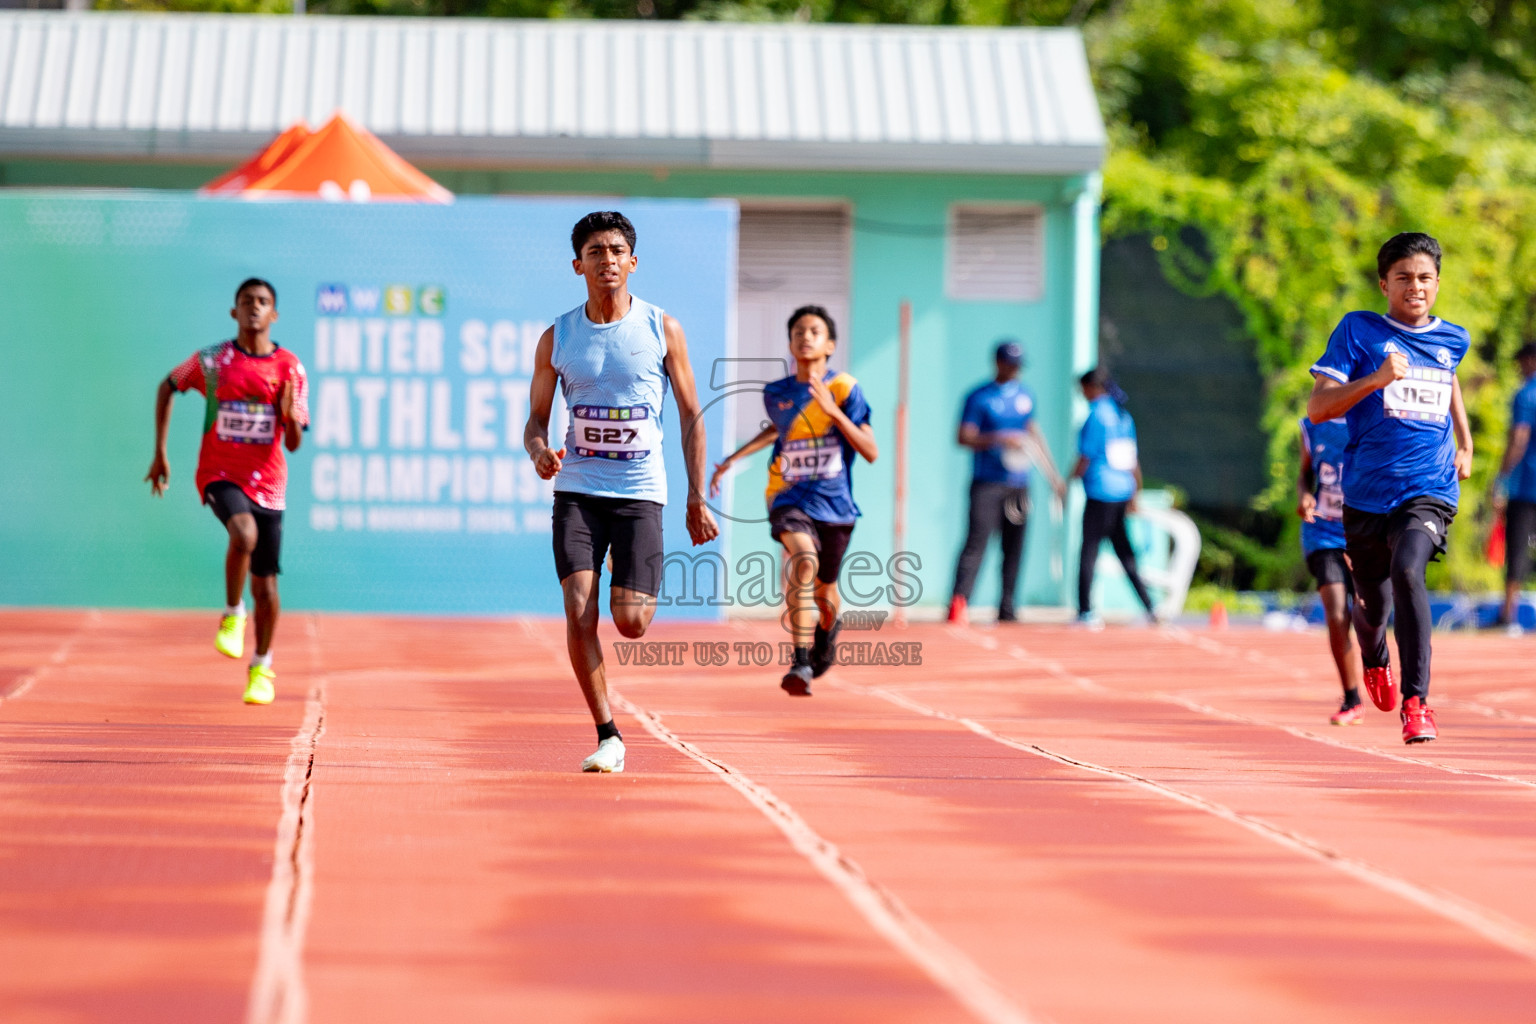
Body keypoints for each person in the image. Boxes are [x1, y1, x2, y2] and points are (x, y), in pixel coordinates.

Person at [525, 211, 719, 773]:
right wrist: (539, 450)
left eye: (616, 250)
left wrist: (695, 496)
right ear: (577, 264)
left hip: (640, 493)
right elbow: (535, 421)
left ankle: (628, 593)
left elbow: (690, 415)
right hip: (579, 491)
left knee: (631, 621)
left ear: (632, 262)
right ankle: (608, 733)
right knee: (578, 608)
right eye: (595, 252)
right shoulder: (557, 336)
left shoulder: (661, 328)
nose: (606, 260)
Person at [1307, 232, 1472, 745]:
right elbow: (1319, 408)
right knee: (1372, 608)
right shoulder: (1359, 332)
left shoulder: (1453, 339)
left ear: (1438, 283)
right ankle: (1375, 656)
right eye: (1403, 278)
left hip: (1428, 486)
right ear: (1385, 284)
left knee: (1409, 570)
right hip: (1366, 495)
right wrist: (1376, 380)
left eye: (1425, 278)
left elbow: (1448, 380)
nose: (1415, 287)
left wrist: (1465, 441)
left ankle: (1417, 702)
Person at [145, 278, 308, 706]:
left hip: (269, 484)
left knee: (267, 587)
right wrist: (161, 452)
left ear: (274, 314)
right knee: (243, 535)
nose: (254, 308)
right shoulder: (213, 361)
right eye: (246, 302)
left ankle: (262, 666)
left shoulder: (290, 368)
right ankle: (233, 615)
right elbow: (168, 385)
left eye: (262, 302)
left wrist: (288, 416)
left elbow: (293, 442)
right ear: (233, 312)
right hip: (219, 472)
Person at [709, 305, 876, 696]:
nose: (805, 336)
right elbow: (780, 432)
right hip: (787, 497)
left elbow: (870, 450)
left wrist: (834, 413)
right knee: (802, 561)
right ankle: (799, 663)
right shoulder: (777, 393)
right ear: (790, 342)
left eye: (814, 331)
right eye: (798, 331)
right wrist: (732, 459)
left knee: (825, 595)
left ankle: (826, 632)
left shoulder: (845, 389)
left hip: (835, 506)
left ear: (830, 344)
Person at [946, 340, 1066, 626]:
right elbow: (964, 437)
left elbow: (1034, 434)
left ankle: (1007, 606)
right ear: (998, 363)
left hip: (1019, 484)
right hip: (987, 483)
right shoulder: (978, 397)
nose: (1015, 370)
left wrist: (1053, 474)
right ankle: (959, 603)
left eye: (1019, 365)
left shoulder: (1026, 396)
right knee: (976, 542)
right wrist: (999, 439)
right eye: (1010, 364)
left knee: (1014, 546)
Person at [1072, 368, 1158, 627]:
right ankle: (1150, 607)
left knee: (1089, 552)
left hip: (1100, 493)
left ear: (1092, 388)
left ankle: (1085, 611)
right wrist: (1135, 493)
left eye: (1083, 389)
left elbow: (1085, 457)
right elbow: (1132, 460)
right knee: (1125, 553)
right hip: (1121, 493)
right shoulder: (1123, 415)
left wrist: (1065, 483)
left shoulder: (1096, 416)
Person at [1297, 415, 1366, 724]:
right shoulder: (1311, 426)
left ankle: (1380, 669)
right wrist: (1304, 496)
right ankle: (1351, 697)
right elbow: (1304, 475)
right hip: (1323, 534)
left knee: (1369, 615)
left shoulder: (1373, 419)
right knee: (1337, 612)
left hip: (1365, 535)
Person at [1488, 342, 1536, 634]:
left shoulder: (1526, 394)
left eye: (1521, 363)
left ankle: (1509, 614)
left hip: (1527, 484)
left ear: (1530, 360)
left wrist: (1502, 479)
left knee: (1517, 547)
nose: (1519, 369)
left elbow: (1519, 438)